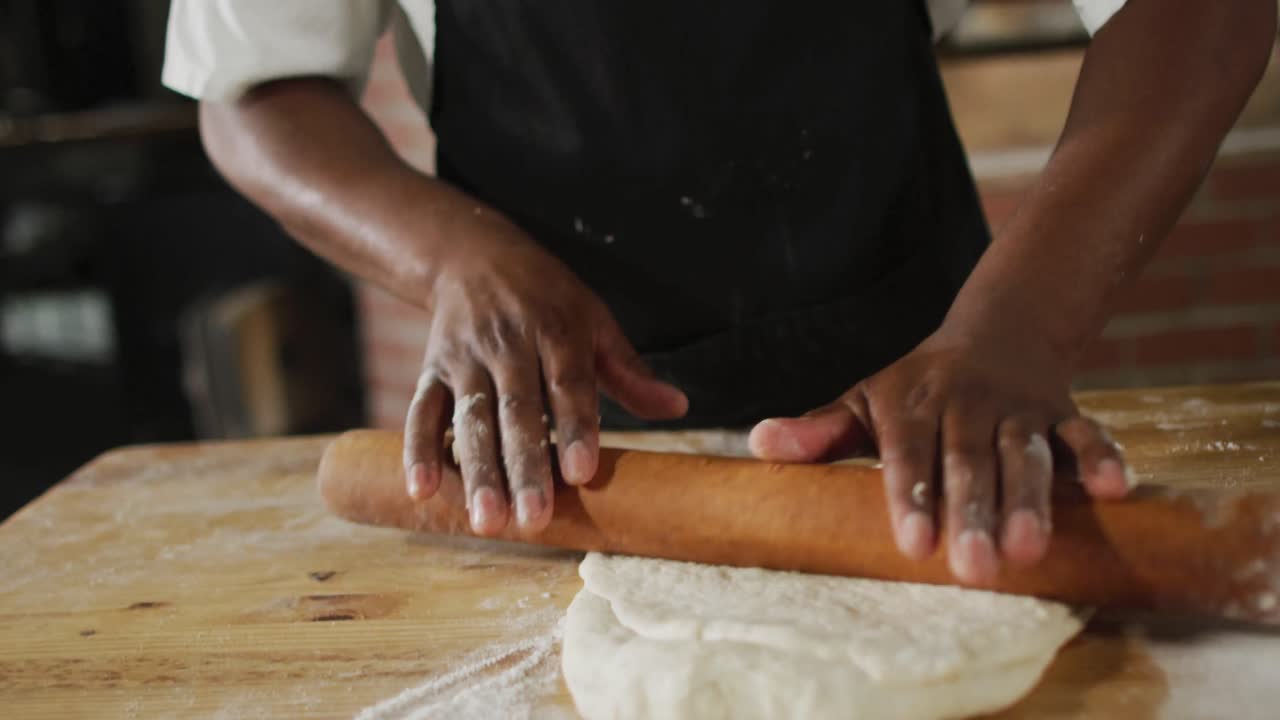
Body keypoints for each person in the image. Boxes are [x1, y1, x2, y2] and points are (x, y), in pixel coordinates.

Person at [163, 1, 1275, 584]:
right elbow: (253, 91)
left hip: (923, 384)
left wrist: (1016, 325)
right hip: (562, 446)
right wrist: (456, 259)